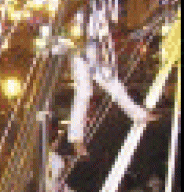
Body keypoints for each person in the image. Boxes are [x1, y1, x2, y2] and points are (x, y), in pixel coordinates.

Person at [66, 9, 157, 157]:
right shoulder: (80, 10)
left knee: (115, 85)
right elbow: (70, 32)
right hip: (80, 54)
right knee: (84, 93)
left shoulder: (101, 8)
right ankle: (76, 137)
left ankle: (138, 114)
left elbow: (108, 32)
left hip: (97, 53)